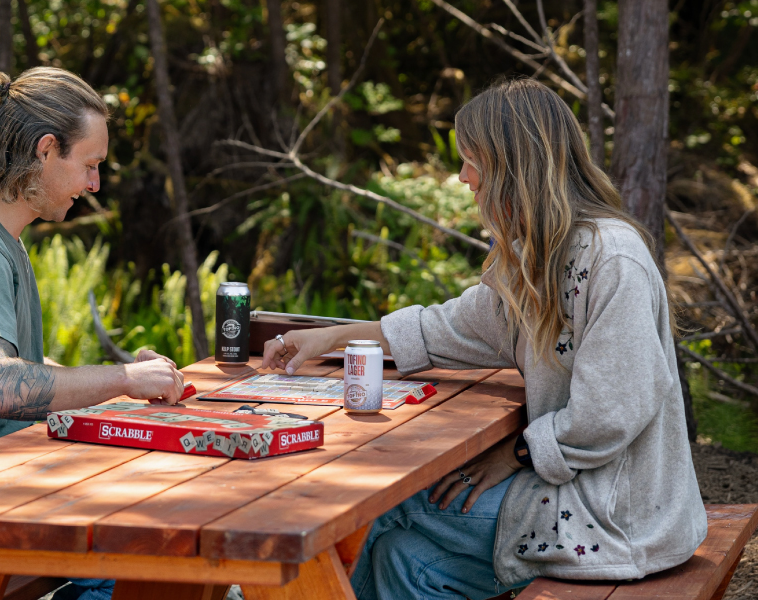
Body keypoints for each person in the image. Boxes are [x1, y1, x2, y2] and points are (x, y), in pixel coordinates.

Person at [262, 78, 707, 600]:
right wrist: (330, 338)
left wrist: (513, 454)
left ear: (513, 164)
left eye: (471, 159)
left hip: (615, 516)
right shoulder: (534, 259)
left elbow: (609, 412)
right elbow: (441, 329)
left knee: (383, 502)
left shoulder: (612, 258)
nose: (462, 176)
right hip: (568, 495)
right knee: (402, 561)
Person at [0, 67, 183, 600]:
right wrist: (125, 378)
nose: (94, 185)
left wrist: (125, 386)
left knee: (157, 542)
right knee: (152, 552)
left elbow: (20, 370)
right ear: (45, 150)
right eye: (89, 165)